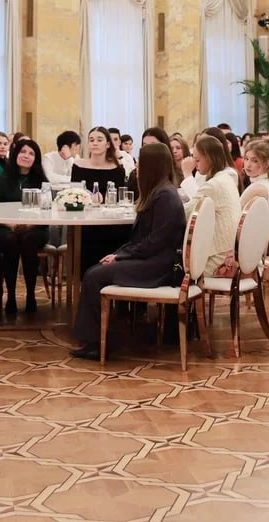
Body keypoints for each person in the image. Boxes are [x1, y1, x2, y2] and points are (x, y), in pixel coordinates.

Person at [68, 144, 186, 361]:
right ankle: (96, 338)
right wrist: (119, 253)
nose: (137, 167)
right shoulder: (159, 192)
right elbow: (144, 239)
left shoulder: (165, 196)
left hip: (159, 266)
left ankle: (96, 343)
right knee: (96, 269)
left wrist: (121, 256)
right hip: (153, 259)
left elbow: (156, 241)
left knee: (94, 276)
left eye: (141, 163)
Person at [0, 138, 48, 316]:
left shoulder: (42, 181)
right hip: (5, 226)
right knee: (9, 240)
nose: (26, 156)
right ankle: (11, 295)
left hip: (36, 227)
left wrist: (29, 224)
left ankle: (31, 295)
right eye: (23, 152)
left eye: (31, 153)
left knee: (29, 240)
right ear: (15, 154)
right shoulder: (2, 179)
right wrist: (10, 224)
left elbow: (48, 211)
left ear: (36, 159)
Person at [183, 135, 241, 276]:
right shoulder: (224, 178)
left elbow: (187, 213)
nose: (195, 164)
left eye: (197, 160)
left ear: (209, 158)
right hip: (227, 249)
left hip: (217, 258)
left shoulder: (214, 185)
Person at [71, 126, 128, 270]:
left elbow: (119, 197)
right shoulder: (78, 165)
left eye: (99, 140)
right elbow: (74, 193)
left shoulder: (117, 168)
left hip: (109, 219)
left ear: (107, 144)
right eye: (91, 140)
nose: (94, 143)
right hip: (85, 219)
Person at [239, 137, 269, 209]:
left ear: (266, 164)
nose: (248, 165)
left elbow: (236, 213)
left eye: (255, 161)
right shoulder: (265, 182)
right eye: (246, 159)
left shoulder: (257, 189)